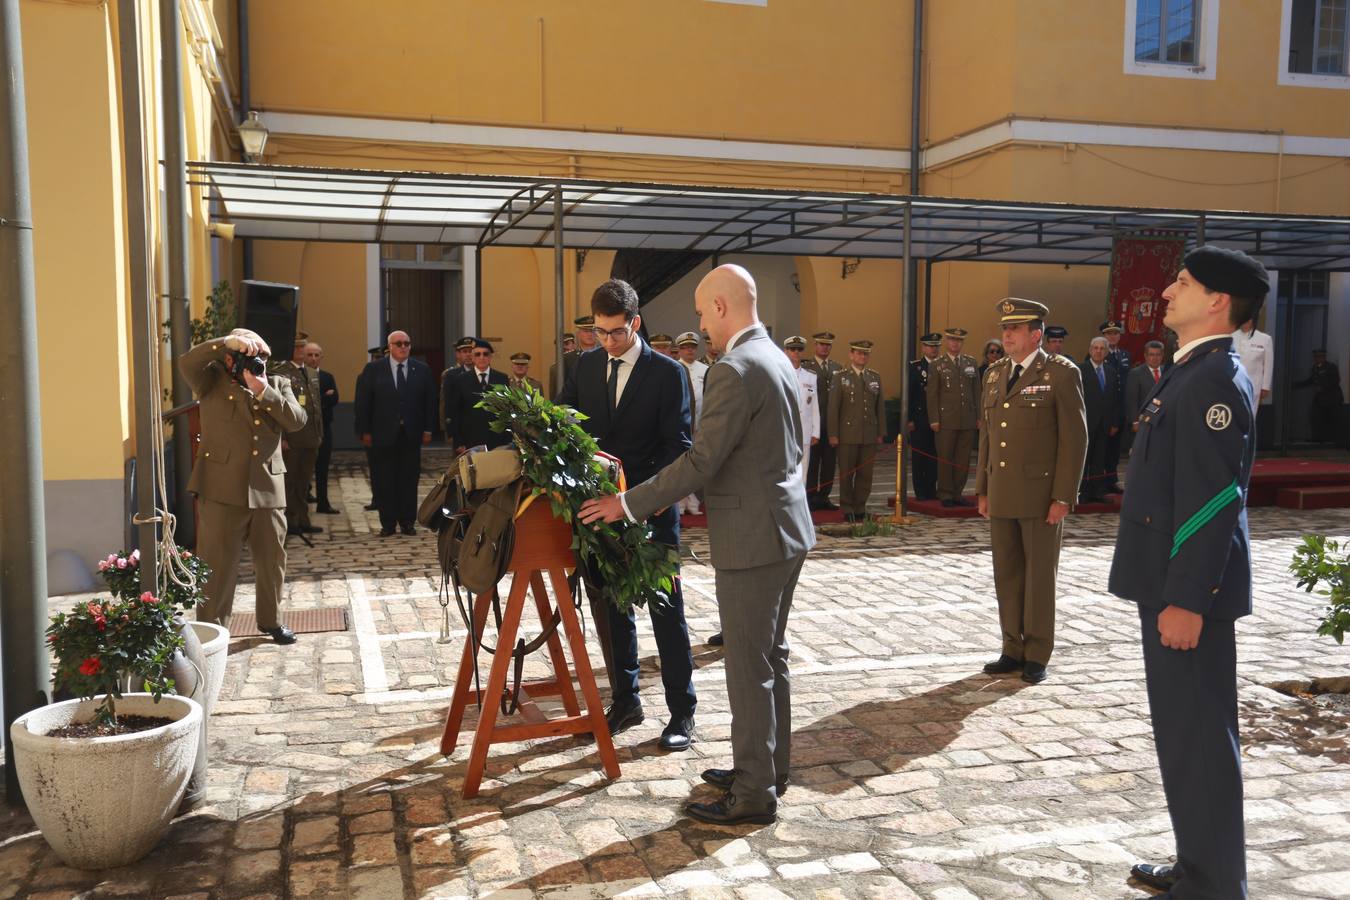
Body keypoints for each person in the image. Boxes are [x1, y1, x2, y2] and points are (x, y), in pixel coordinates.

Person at [580, 264, 814, 827]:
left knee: (749, 667)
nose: (701, 325)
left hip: (753, 538)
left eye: (703, 312)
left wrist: (626, 502)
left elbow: (701, 460)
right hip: (785, 528)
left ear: (722, 307)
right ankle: (766, 767)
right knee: (770, 658)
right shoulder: (777, 356)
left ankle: (755, 793)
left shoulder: (734, 368)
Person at [1110, 245, 1266, 900]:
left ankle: (1215, 884)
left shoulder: (1209, 381)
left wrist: (1187, 600)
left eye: (1182, 282)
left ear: (1218, 301)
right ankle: (1199, 862)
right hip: (1169, 584)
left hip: (1186, 593)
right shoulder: (1188, 372)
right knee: (1184, 735)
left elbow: (1211, 502)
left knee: (1199, 736)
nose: (1168, 292)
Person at [557, 279, 697, 751]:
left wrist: (634, 499)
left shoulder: (668, 373)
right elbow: (567, 426)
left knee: (666, 612)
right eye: (599, 332)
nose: (607, 341)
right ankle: (625, 700)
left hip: (650, 510)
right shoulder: (584, 366)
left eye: (616, 332)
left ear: (635, 323)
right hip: (598, 513)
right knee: (610, 610)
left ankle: (682, 711)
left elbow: (677, 447)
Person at [975, 298, 1087, 685]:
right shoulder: (993, 374)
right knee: (1006, 573)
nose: (1006, 335)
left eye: (1015, 329)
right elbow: (988, 437)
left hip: (1041, 496)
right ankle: (1012, 648)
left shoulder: (1060, 373)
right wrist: (983, 488)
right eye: (1005, 328)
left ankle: (1037, 651)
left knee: (1039, 576)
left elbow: (1075, 440)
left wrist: (1063, 496)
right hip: (1003, 491)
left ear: (1035, 334)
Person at [179, 328, 305, 644]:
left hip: (267, 487)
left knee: (272, 561)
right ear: (228, 357)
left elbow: (297, 420)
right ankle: (212, 630)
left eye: (261, 356)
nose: (255, 361)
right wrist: (227, 342)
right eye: (248, 356)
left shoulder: (277, 384)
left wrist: (263, 390)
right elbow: (187, 362)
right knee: (217, 564)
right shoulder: (209, 380)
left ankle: (272, 621)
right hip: (220, 488)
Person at [354, 330, 436, 537]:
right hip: (382, 435)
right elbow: (363, 402)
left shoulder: (422, 369)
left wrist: (428, 429)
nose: (403, 347)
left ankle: (407, 522)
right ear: (389, 346)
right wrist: (364, 430)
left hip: (410, 434)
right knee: (384, 479)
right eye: (398, 343)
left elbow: (430, 402)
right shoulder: (373, 369)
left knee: (409, 479)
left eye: (407, 343)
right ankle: (388, 523)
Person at [270, 334, 324, 536]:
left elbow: (316, 406)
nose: (302, 352)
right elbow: (278, 408)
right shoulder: (281, 372)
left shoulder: (311, 372)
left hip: (310, 436)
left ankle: (303, 518)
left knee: (304, 482)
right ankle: (290, 521)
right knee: (290, 482)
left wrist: (319, 433)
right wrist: (282, 438)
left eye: (303, 348)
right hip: (292, 438)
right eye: (298, 348)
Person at [827, 340, 884, 522]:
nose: (862, 357)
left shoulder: (874, 377)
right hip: (847, 434)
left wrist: (880, 431)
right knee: (847, 473)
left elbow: (879, 407)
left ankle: (860, 506)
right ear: (851, 355)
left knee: (866, 474)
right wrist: (833, 433)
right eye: (859, 353)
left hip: (868, 433)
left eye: (865, 354)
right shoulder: (841, 376)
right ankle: (847, 507)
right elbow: (833, 408)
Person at [926, 327, 979, 507]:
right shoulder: (937, 365)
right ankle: (946, 493)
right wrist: (934, 418)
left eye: (959, 341)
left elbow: (976, 392)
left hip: (967, 418)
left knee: (963, 459)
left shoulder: (970, 363)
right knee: (945, 458)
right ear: (947, 342)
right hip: (946, 419)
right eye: (952, 340)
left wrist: (978, 416)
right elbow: (932, 394)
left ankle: (958, 493)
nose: (955, 343)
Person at [444, 339, 511, 452]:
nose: (482, 357)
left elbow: (507, 410)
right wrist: (458, 441)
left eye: (485, 354)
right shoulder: (461, 380)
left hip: (497, 439)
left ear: (490, 357)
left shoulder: (501, 378)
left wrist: (508, 439)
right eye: (477, 354)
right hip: (470, 439)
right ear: (473, 358)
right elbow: (455, 412)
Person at [802, 331, 844, 510]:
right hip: (812, 424)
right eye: (821, 344)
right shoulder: (807, 366)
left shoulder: (837, 367)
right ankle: (809, 496)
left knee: (828, 464)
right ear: (815, 345)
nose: (825, 348)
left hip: (831, 424)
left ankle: (824, 497)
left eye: (828, 345)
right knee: (812, 463)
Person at [1079, 337, 1123, 503]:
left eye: (1102, 349)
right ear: (1090, 350)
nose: (1098, 351)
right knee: (1084, 460)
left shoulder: (1111, 371)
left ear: (1106, 352)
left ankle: (1097, 491)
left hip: (1105, 425)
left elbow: (1114, 399)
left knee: (1099, 460)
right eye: (1095, 348)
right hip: (1086, 423)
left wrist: (1114, 422)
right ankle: (1081, 492)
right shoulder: (1080, 369)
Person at [676, 331, 709, 517]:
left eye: (692, 347)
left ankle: (693, 500)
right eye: (685, 347)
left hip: (700, 425)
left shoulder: (705, 370)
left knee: (696, 464)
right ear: (679, 349)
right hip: (680, 425)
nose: (689, 350)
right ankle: (682, 502)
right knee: (681, 464)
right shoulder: (673, 367)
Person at [907, 333, 941, 501]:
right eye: (930, 346)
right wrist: (909, 419)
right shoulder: (915, 367)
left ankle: (931, 488)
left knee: (935, 456)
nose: (933, 349)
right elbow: (909, 395)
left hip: (939, 418)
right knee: (920, 456)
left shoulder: (943, 366)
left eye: (936, 346)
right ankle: (920, 490)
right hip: (920, 419)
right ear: (923, 348)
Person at [307, 343, 340, 514]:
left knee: (323, 467)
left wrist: (321, 400)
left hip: (324, 428)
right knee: (303, 468)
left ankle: (323, 502)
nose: (313, 358)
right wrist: (322, 398)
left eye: (316, 355)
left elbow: (334, 399)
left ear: (321, 357)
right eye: (310, 355)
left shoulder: (327, 377)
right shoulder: (300, 377)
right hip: (304, 430)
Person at [783, 336, 819, 481]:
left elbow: (814, 405)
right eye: (792, 349)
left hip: (805, 429)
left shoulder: (810, 376)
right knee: (786, 469)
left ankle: (800, 502)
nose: (796, 352)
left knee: (803, 470)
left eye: (799, 349)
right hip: (786, 430)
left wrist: (815, 431)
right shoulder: (780, 373)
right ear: (786, 351)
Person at [1100, 321, 1131, 491]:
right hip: (1105, 409)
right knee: (1101, 448)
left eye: (1115, 333)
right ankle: (1098, 480)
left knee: (1115, 449)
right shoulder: (1098, 353)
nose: (1113, 336)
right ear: (1103, 336)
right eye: (1109, 333)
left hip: (1120, 408)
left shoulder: (1124, 355)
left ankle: (1111, 480)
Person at [1293, 349, 1343, 444]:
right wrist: (1297, 385)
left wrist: (1323, 387)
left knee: (1332, 419)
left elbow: (1335, 380)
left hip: (1332, 398)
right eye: (1315, 357)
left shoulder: (1331, 367)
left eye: (1319, 357)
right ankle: (1318, 438)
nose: (1317, 359)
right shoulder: (1315, 368)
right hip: (1321, 399)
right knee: (1316, 417)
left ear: (1323, 357)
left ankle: (1334, 440)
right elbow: (1311, 381)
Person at [1124, 340, 1166, 454]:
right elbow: (1131, 399)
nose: (1155, 358)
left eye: (1158, 355)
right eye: (1151, 354)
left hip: (1164, 421)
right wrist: (1134, 421)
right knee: (1142, 453)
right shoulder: (1136, 373)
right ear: (1145, 356)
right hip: (1144, 421)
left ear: (1162, 356)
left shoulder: (1168, 371)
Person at [359, 345, 385, 511]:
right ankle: (377, 498)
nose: (378, 361)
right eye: (375, 358)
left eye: (380, 358)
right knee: (375, 469)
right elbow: (361, 405)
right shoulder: (364, 376)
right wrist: (363, 430)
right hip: (373, 432)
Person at [441, 336, 477, 449]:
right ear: (458, 354)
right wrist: (448, 430)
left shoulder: (482, 373)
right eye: (464, 352)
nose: (468, 354)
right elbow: (445, 404)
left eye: (471, 351)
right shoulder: (450, 375)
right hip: (460, 429)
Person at [551, 315, 599, 396]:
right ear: (578, 334)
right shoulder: (568, 359)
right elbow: (561, 389)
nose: (590, 334)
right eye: (586, 331)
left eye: (593, 331)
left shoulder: (606, 355)